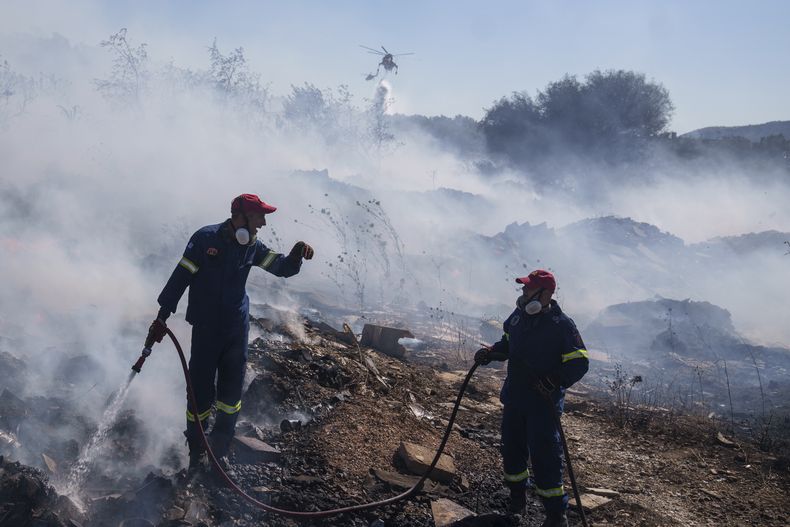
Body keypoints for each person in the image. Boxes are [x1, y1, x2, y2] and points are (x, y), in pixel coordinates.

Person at [145, 193, 314, 472]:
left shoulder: (252, 245)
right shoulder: (204, 240)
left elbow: (280, 267)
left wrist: (295, 256)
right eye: (258, 216)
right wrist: (163, 315)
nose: (262, 223)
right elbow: (180, 278)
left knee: (230, 395)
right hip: (206, 328)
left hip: (236, 328)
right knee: (199, 393)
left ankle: (219, 449)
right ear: (241, 217)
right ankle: (197, 450)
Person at [474, 270, 589, 527]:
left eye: (528, 289)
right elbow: (507, 343)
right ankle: (517, 502)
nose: (523, 293)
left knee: (545, 457)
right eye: (524, 289)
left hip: (542, 405)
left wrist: (554, 380)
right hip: (515, 398)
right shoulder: (518, 318)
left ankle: (555, 516)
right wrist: (490, 352)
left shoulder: (562, 325)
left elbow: (580, 362)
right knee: (512, 450)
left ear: (545, 294)